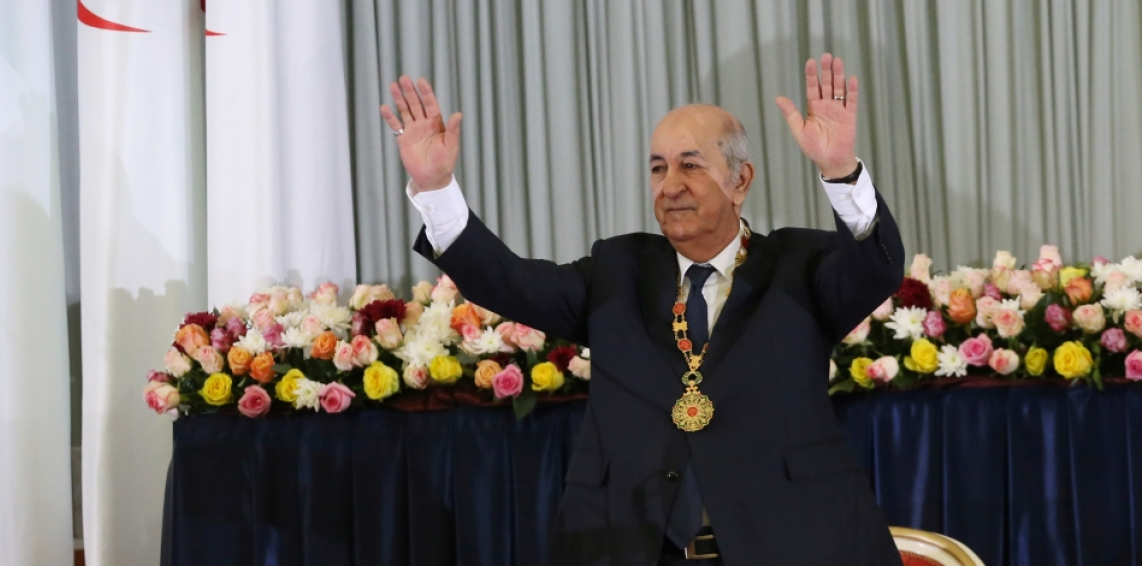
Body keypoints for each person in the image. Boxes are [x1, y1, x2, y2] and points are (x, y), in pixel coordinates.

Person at [379, 54, 905, 566]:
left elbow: (873, 272)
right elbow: (506, 281)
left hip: (791, 543)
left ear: (740, 181)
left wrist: (841, 172)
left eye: (690, 165)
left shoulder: (799, 265)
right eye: (658, 168)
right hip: (628, 543)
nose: (670, 185)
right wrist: (436, 188)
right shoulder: (617, 270)